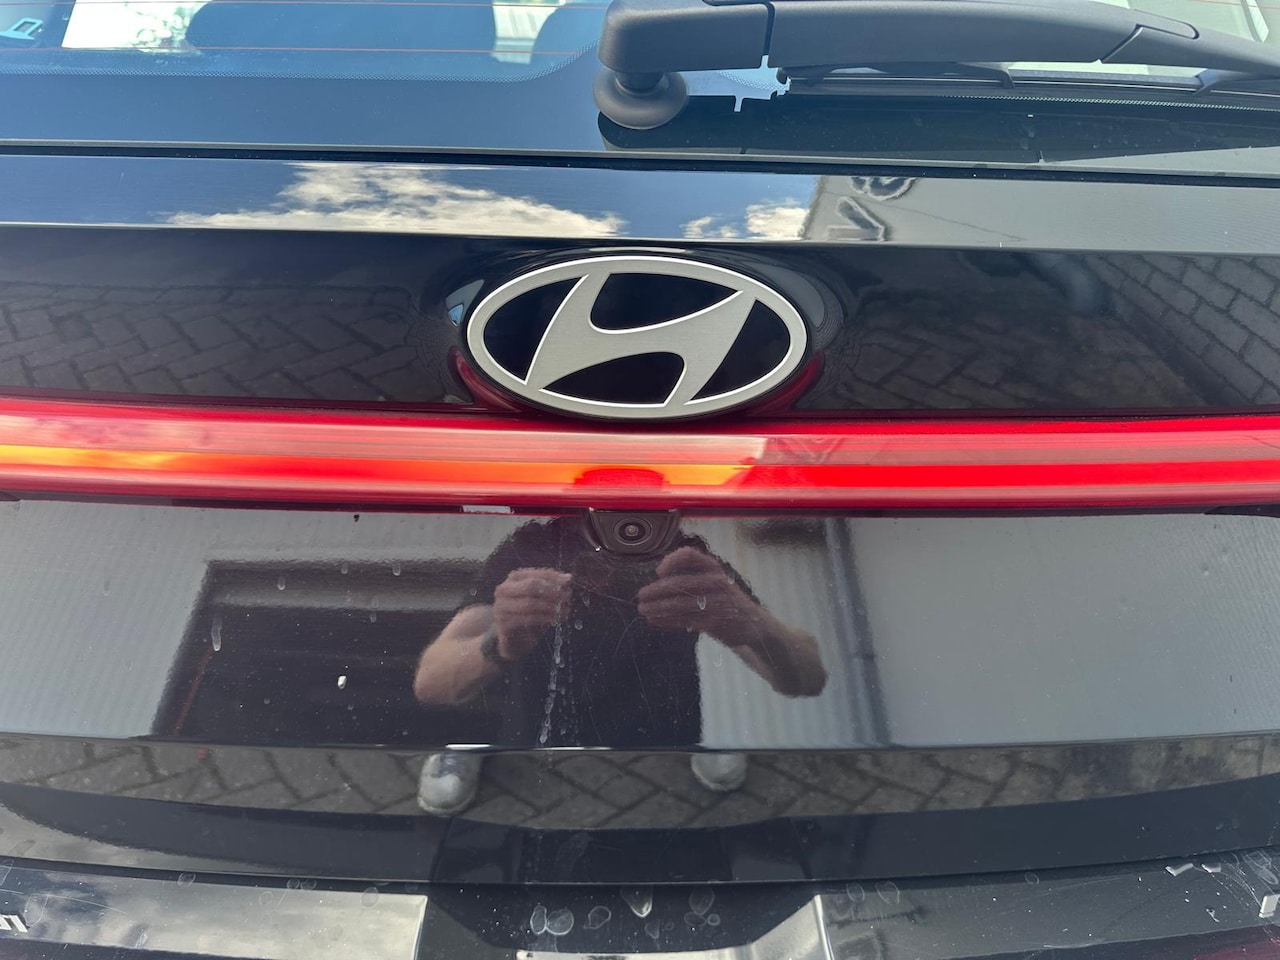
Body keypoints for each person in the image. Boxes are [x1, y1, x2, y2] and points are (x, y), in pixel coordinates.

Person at [413, 516, 827, 814]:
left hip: (660, 730)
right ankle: (467, 745)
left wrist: (750, 620)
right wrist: (499, 640)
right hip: (540, 728)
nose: (626, 530)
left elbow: (808, 677)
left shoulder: (690, 559)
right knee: (472, 707)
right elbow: (430, 682)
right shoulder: (533, 548)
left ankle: (709, 746)